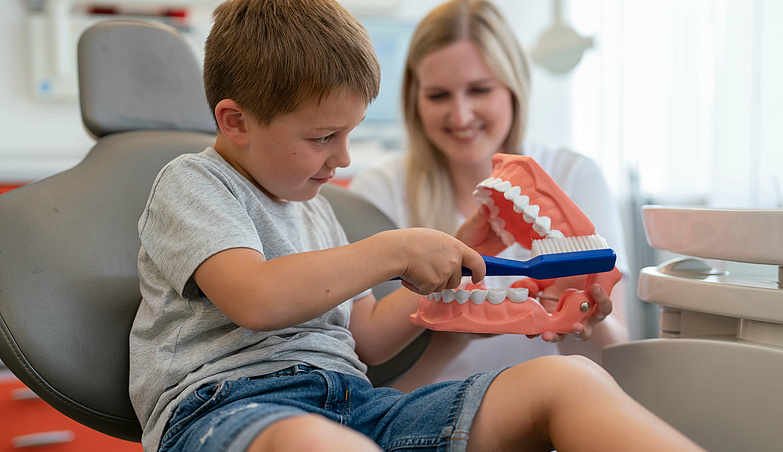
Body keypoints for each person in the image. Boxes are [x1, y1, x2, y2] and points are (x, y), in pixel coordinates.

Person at [129, 0, 703, 451]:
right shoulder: (192, 184)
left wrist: (461, 249)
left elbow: (371, 340)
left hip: (353, 404)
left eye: (349, 135)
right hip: (229, 409)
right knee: (318, 443)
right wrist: (394, 250)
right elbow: (255, 298)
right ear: (236, 122)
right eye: (323, 137)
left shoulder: (311, 206)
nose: (344, 158)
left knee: (569, 384)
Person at [348, 0, 630, 391]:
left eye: (479, 89)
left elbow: (618, 368)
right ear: (415, 100)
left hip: (557, 412)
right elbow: (373, 392)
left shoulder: (575, 176)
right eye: (438, 96)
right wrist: (458, 332)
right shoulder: (375, 194)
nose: (461, 116)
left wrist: (581, 320)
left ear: (514, 87)